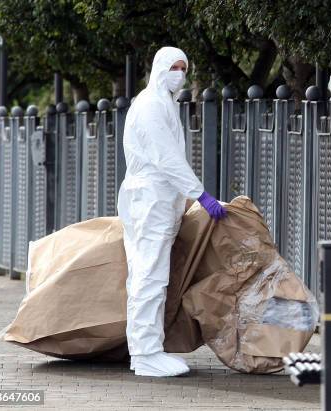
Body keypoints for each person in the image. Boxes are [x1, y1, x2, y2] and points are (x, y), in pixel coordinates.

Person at [117, 46, 227, 377]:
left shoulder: (163, 103)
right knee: (149, 276)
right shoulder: (151, 106)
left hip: (156, 199)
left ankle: (148, 349)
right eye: (173, 66)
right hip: (149, 199)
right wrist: (200, 194)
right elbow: (165, 158)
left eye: (183, 67)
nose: (179, 73)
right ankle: (145, 353)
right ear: (159, 68)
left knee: (151, 275)